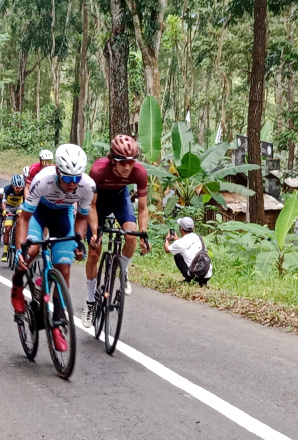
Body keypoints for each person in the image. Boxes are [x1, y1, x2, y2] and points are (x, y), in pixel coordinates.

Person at [11, 144, 97, 352]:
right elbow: (24, 218)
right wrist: (20, 249)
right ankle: (17, 286)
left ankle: (57, 325)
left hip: (63, 215)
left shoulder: (88, 186)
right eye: (67, 178)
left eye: (76, 178)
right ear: (58, 171)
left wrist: (78, 241)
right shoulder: (43, 180)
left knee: (64, 270)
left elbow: (82, 217)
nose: (72, 184)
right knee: (30, 252)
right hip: (38, 214)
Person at [81, 134, 150, 327]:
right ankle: (89, 302)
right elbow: (91, 206)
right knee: (95, 252)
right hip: (98, 203)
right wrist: (95, 232)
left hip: (120, 199)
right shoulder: (98, 170)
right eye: (122, 162)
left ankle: (124, 271)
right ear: (112, 160)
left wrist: (143, 234)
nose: (127, 166)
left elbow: (143, 208)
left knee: (131, 235)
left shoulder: (139, 172)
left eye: (131, 161)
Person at [164, 217, 212, 286]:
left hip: (195, 274)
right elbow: (186, 244)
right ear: (193, 228)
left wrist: (167, 239)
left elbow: (167, 249)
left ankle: (189, 279)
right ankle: (202, 282)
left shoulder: (180, 243)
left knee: (177, 255)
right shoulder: (198, 237)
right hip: (207, 274)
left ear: (181, 229)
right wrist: (177, 239)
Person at [0, 174, 26, 262]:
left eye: (20, 188)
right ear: (12, 186)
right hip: (9, 207)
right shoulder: (7, 189)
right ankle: (5, 251)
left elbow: (26, 203)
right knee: (7, 228)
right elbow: (3, 202)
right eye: (16, 188)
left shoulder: (24, 190)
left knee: (20, 216)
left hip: (19, 206)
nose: (18, 190)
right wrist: (4, 210)